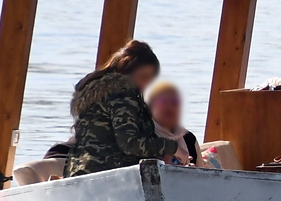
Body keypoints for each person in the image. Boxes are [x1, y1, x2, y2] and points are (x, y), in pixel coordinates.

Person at [65, 40, 189, 177]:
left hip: (81, 171)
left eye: (150, 79)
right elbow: (130, 143)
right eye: (143, 76)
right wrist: (173, 148)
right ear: (127, 70)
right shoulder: (121, 96)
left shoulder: (99, 93)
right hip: (107, 175)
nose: (146, 83)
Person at [146, 80, 201, 166]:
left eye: (175, 101)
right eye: (163, 101)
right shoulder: (145, 138)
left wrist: (192, 172)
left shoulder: (189, 139)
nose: (170, 106)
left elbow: (202, 176)